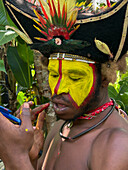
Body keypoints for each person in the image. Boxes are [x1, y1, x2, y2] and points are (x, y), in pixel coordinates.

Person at [0, 0, 128, 169]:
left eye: (75, 77)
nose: (58, 89)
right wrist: (29, 156)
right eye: (53, 74)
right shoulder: (61, 128)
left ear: (105, 78)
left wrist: (15, 156)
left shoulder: (116, 146)